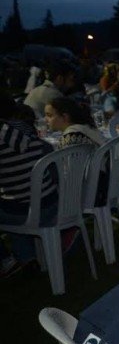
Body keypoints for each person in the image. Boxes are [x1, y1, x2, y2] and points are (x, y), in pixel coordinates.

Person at [0, 94, 57, 278]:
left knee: (12, 203)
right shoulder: (25, 127)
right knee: (14, 198)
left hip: (27, 211)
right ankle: (27, 257)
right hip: (51, 203)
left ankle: (6, 260)